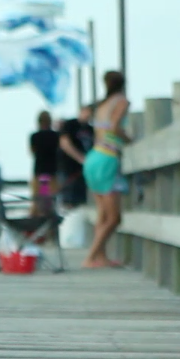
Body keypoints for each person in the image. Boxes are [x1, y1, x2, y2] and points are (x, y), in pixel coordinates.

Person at [82, 71, 131, 268]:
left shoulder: (101, 105)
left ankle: (101, 257)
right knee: (114, 218)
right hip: (108, 158)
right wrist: (130, 140)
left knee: (102, 214)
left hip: (93, 157)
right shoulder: (121, 101)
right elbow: (115, 126)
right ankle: (91, 256)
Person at [57, 105, 94, 210]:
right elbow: (65, 143)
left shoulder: (90, 129)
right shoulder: (70, 124)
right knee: (68, 199)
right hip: (68, 168)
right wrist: (81, 158)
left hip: (83, 170)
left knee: (81, 199)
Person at [28, 111, 59, 216]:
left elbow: (32, 151)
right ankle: (50, 221)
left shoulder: (34, 136)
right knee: (51, 200)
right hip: (52, 171)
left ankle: (33, 222)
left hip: (39, 170)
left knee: (36, 199)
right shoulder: (55, 136)